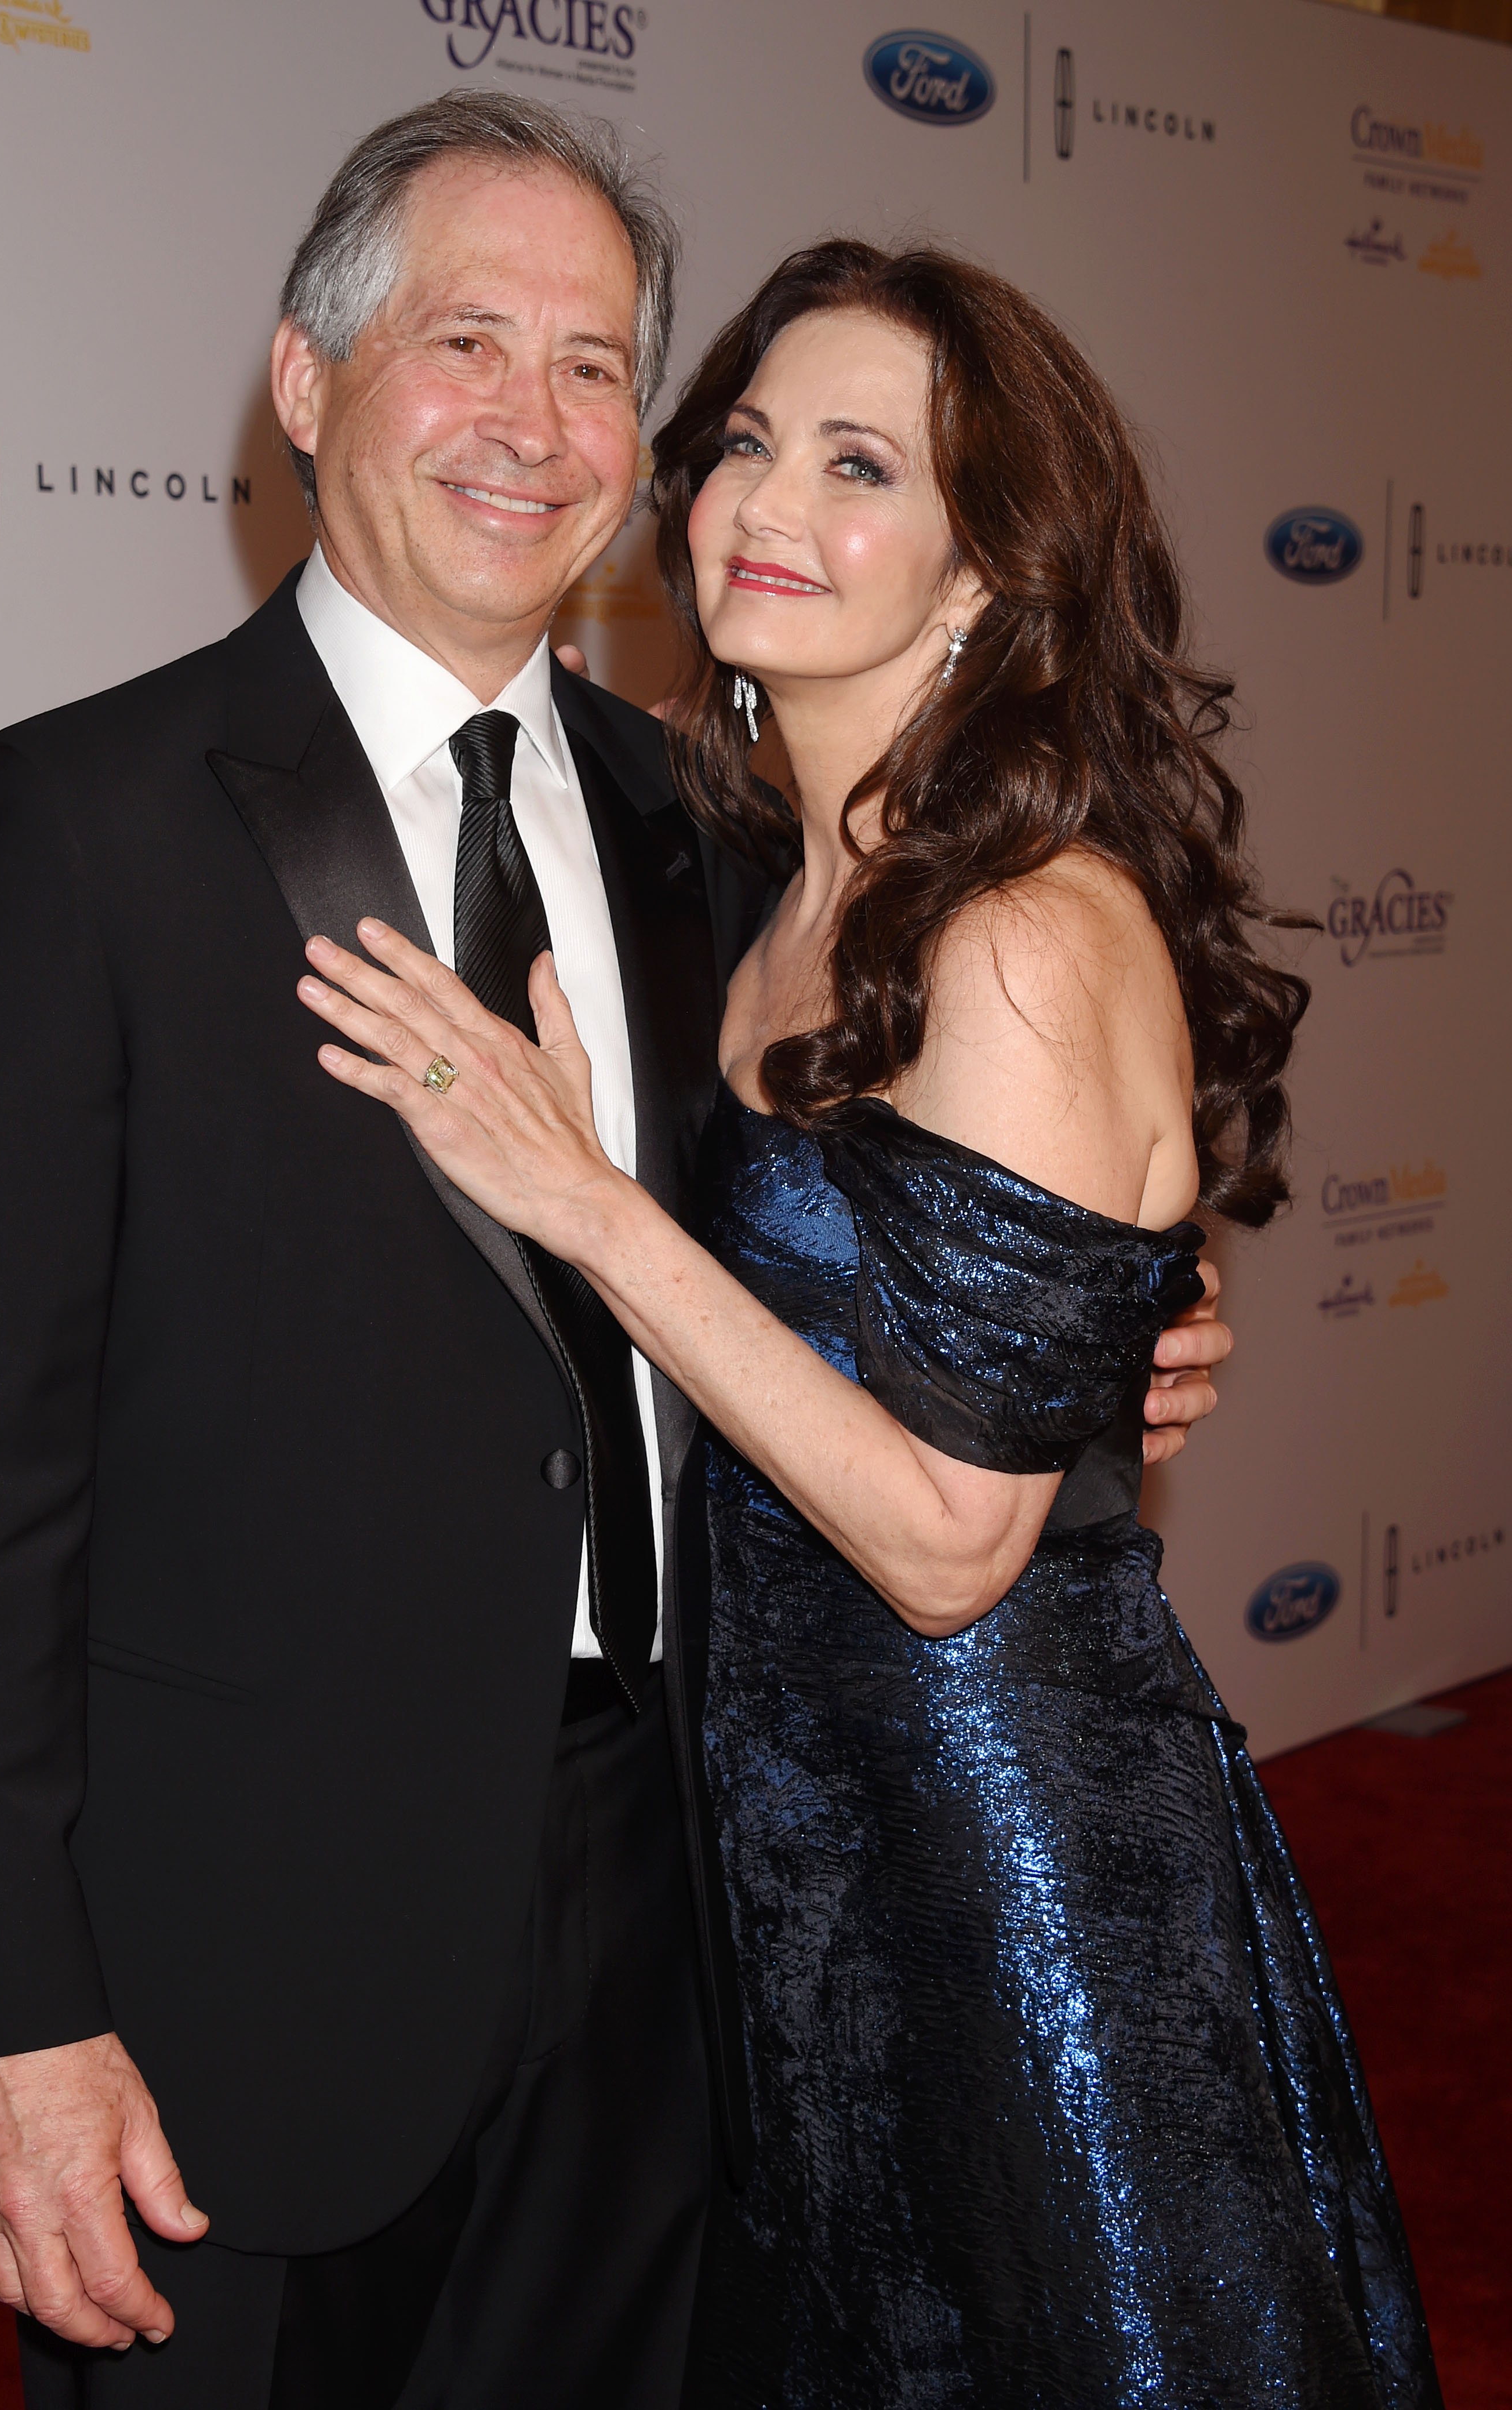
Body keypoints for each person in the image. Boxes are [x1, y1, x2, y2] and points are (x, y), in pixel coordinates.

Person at [0, 93, 1227, 2409]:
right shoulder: (72, 826)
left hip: (678, 1930)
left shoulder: (722, 832)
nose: (535, 419)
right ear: (306, 385)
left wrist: (1094, 1340)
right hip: (234, 1981)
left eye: (596, 365)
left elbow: (886, 1232)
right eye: (465, 341)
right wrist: (3, 2013)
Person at [295, 241, 1441, 2407]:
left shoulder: (1015, 927)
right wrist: (1115, 1352)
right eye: (740, 442)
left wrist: (588, 1202)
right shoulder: (770, 875)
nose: (759, 505)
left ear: (988, 570)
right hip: (800, 1861)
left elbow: (942, 1541)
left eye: (857, 465)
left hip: (1015, 1868)